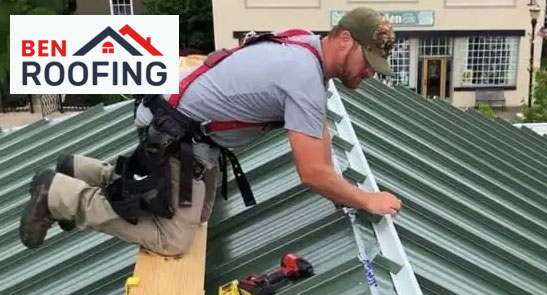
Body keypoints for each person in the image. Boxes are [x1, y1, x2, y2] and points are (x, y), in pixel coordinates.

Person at [19, 7, 401, 256]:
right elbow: (311, 172)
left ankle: (79, 169)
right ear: (345, 40)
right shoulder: (303, 77)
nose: (369, 72)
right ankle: (59, 196)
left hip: (177, 118)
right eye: (367, 61)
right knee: (173, 239)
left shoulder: (304, 43)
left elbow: (318, 137)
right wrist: (366, 200)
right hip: (178, 133)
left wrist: (344, 193)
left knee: (199, 212)